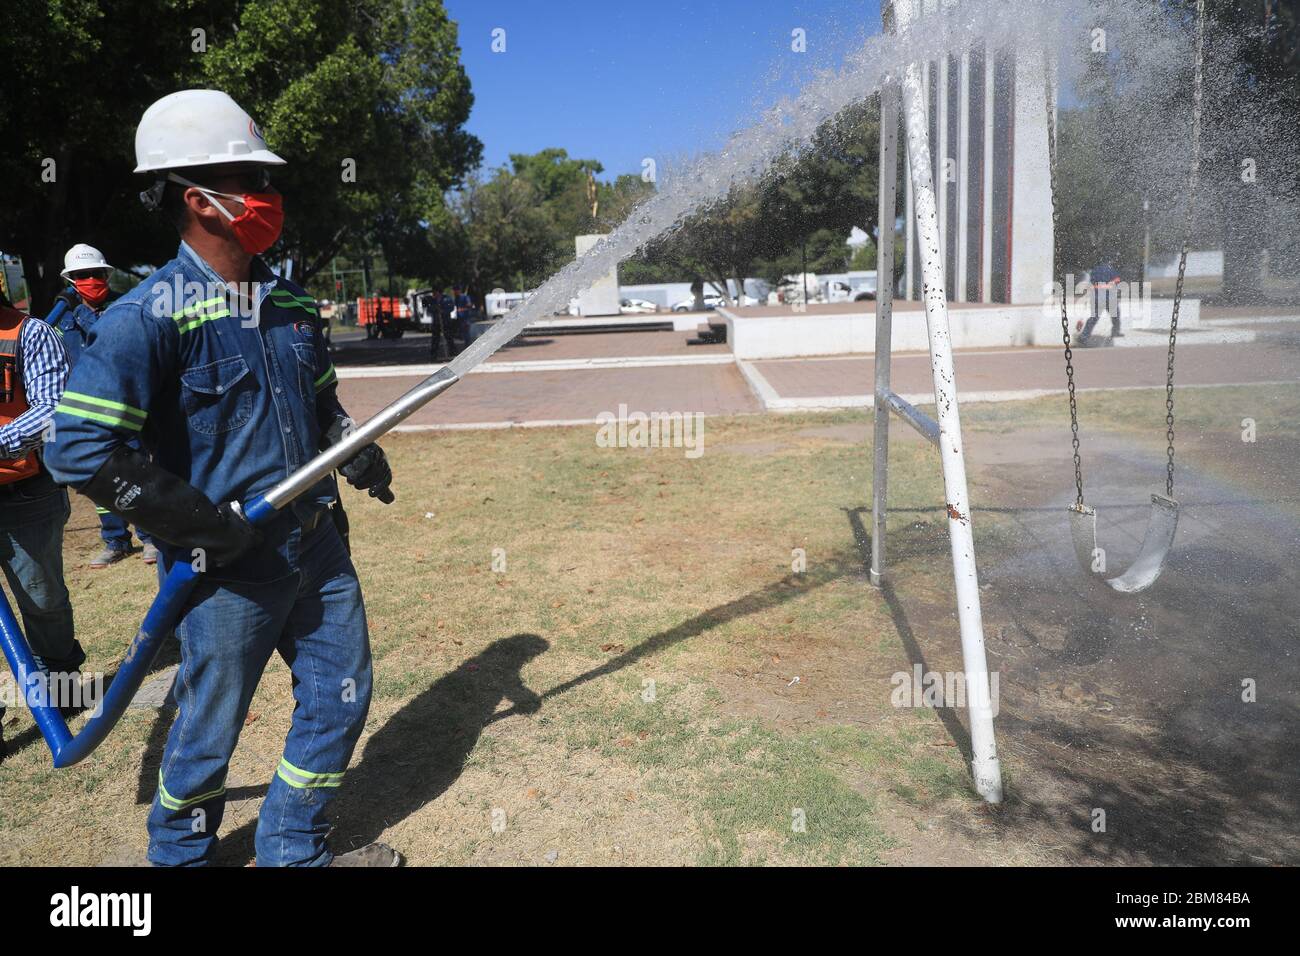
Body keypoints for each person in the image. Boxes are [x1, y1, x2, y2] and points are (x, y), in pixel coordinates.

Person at [45, 89, 397, 866]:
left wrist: (352, 446)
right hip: (223, 569)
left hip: (316, 547)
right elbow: (76, 448)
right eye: (253, 178)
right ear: (200, 198)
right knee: (210, 727)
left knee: (342, 694)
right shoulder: (148, 316)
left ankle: (293, 850)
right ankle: (180, 856)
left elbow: (318, 399)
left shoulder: (292, 302)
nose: (270, 197)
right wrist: (202, 526)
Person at [0, 285, 82, 758]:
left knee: (42, 597)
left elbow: (53, 413)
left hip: (25, 493)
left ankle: (62, 684)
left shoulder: (32, 334)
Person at [51, 244, 157, 567]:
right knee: (100, 480)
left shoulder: (127, 306)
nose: (91, 280)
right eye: (83, 276)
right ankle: (116, 540)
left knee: (139, 471)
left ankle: (150, 537)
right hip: (88, 411)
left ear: (106, 275)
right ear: (71, 281)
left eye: (96, 273)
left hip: (130, 405)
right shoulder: (60, 320)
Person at [1079, 262, 1124, 346]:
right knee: (1115, 315)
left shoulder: (1094, 271)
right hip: (1109, 297)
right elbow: (1117, 280)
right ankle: (1115, 332)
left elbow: (1090, 284)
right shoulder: (1111, 269)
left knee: (1094, 318)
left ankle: (1084, 336)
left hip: (1097, 297)